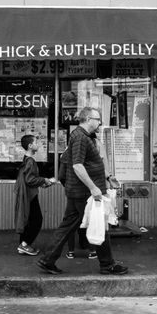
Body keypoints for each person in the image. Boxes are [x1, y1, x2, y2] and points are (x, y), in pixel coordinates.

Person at [37, 106, 128, 276]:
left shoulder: (85, 136)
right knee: (99, 225)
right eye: (97, 119)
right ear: (87, 119)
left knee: (68, 226)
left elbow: (90, 163)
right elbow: (77, 165)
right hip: (83, 193)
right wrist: (93, 188)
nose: (100, 122)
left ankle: (47, 259)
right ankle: (107, 264)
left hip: (79, 191)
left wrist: (108, 177)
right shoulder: (80, 137)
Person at [14, 135, 55, 256]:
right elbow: (30, 179)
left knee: (28, 219)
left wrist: (42, 182)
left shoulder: (26, 159)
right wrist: (44, 180)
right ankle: (25, 244)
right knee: (37, 220)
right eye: (36, 142)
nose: (39, 144)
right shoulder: (30, 161)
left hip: (27, 194)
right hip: (30, 195)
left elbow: (30, 179)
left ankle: (24, 244)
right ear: (30, 146)